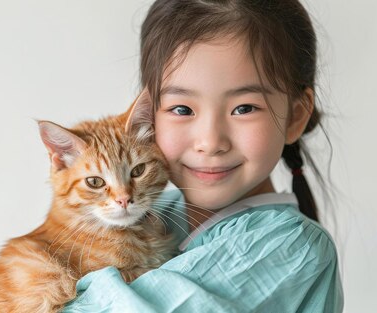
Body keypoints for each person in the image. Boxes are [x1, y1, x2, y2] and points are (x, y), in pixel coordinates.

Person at [63, 0, 343, 311]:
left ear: (294, 117)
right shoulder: (154, 213)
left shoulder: (290, 245)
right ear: (146, 117)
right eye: (182, 109)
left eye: (244, 108)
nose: (210, 142)